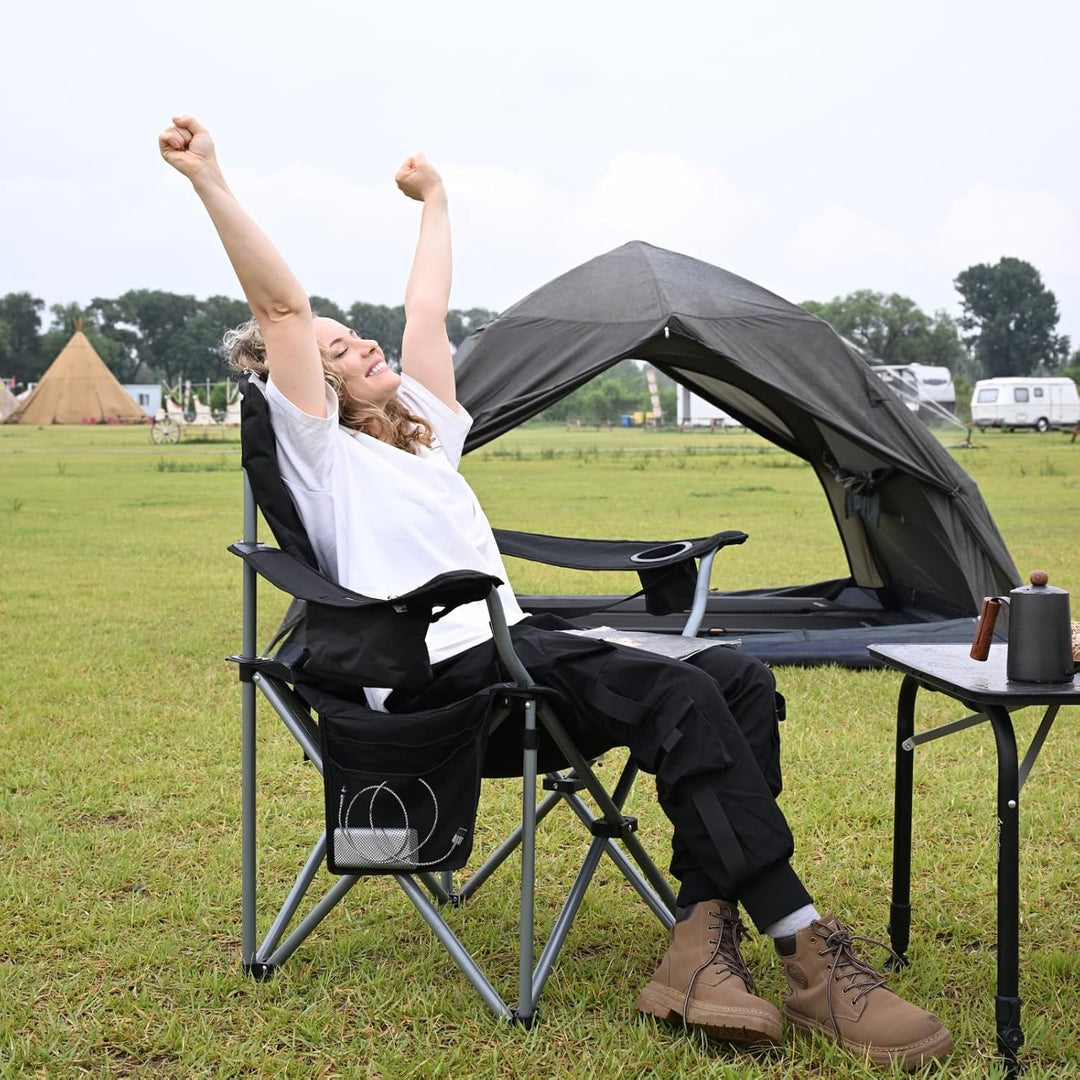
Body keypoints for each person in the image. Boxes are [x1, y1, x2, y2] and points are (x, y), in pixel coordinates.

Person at [159, 115, 954, 1071]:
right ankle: (808, 951)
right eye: (336, 348)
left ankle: (702, 937)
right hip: (444, 683)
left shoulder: (421, 434)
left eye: (352, 335)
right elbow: (281, 311)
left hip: (511, 653)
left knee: (736, 676)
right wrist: (209, 176)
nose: (360, 343)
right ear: (308, 386)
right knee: (685, 689)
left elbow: (425, 319)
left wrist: (438, 204)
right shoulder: (319, 454)